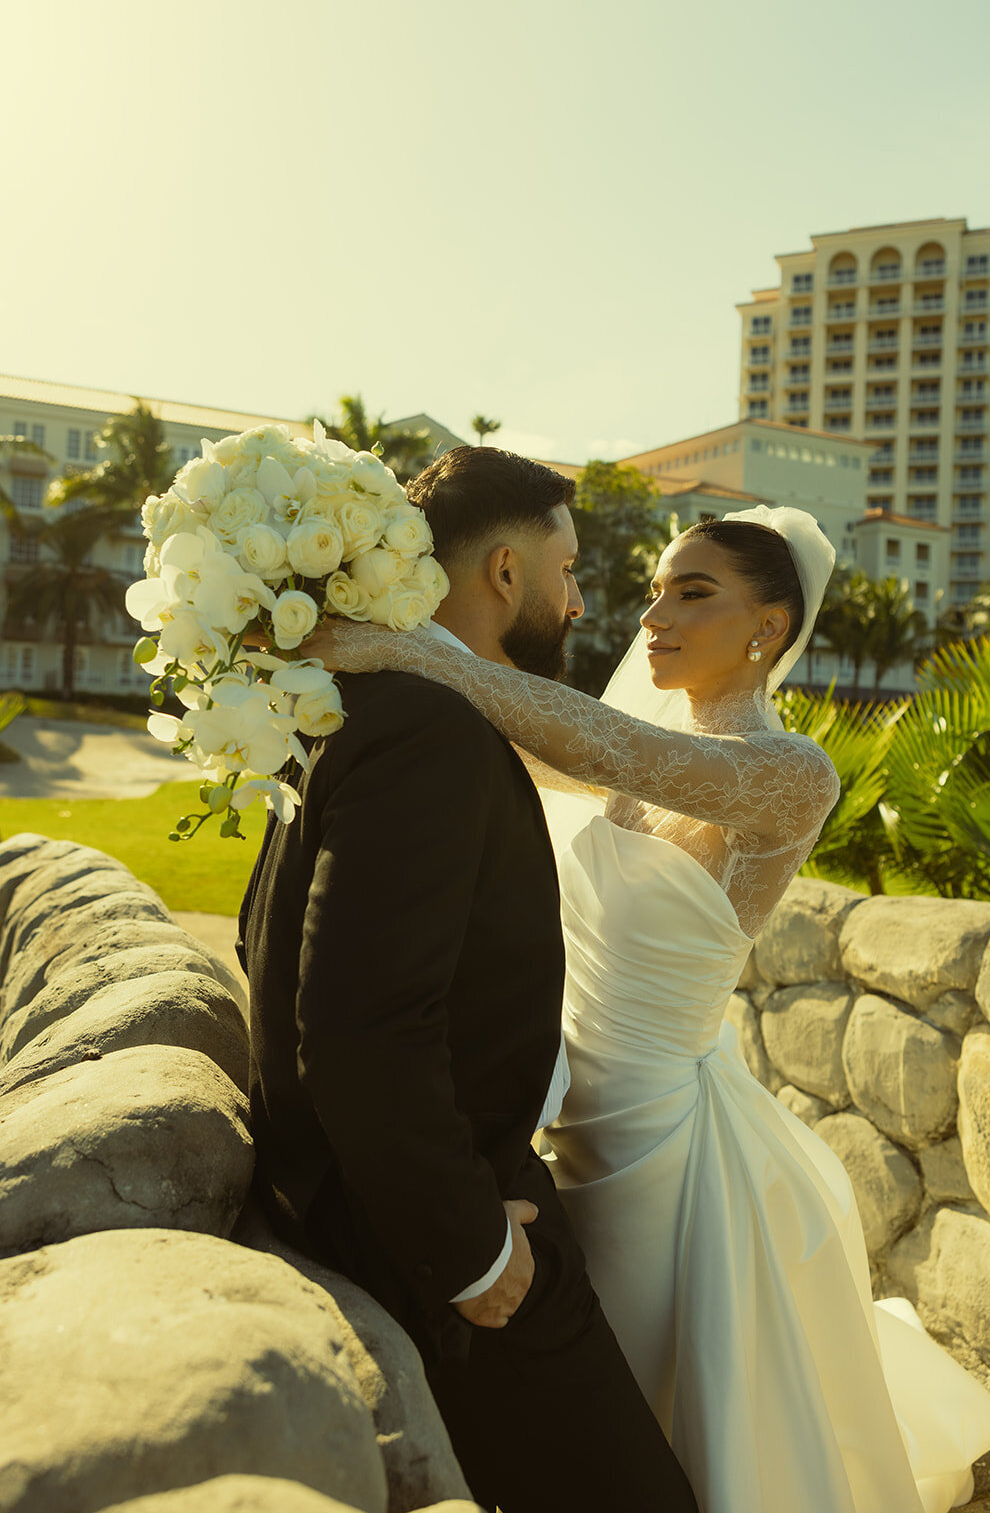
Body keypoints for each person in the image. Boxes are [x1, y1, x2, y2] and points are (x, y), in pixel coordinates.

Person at [322, 500, 990, 1513]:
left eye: (692, 592)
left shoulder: (784, 772)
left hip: (663, 1132)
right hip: (564, 1103)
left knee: (647, 1374)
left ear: (766, 627)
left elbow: (588, 743)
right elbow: (536, 738)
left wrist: (403, 642)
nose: (653, 615)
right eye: (653, 588)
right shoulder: (639, 738)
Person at [238, 446, 700, 1513]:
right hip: (446, 1224)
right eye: (567, 567)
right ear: (503, 573)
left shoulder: (353, 703)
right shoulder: (429, 730)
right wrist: (472, 1248)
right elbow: (356, 1028)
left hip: (409, 1201)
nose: (580, 597)